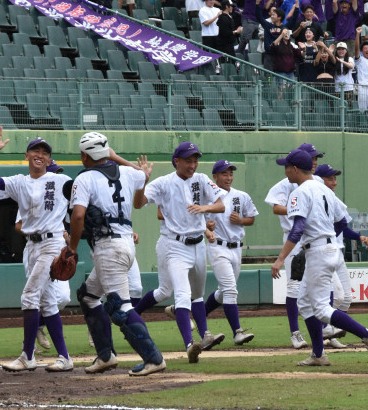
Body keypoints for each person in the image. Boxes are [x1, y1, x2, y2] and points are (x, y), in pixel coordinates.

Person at [271, 149, 368, 367]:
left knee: (321, 308)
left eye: (286, 167)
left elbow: (297, 229)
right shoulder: (324, 190)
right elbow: (342, 222)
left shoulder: (299, 192)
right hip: (330, 248)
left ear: (294, 169)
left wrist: (280, 258)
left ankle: (367, 334)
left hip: (318, 252)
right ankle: (319, 354)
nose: (285, 171)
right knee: (305, 303)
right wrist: (324, 233)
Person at [68, 132, 166, 376]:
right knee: (88, 296)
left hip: (108, 247)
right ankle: (105, 356)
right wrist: (115, 157)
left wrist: (71, 248)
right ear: (107, 152)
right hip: (125, 244)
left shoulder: (85, 179)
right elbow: (142, 173)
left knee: (119, 308)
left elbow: (78, 216)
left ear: (84, 155)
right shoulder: (130, 173)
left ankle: (153, 358)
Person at [0, 128, 73, 372]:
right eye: (36, 150)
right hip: (31, 246)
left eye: (45, 152)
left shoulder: (62, 181)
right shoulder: (19, 182)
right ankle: (65, 358)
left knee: (29, 296)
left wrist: (73, 242)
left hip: (53, 243)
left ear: (49, 160)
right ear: (27, 156)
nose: (40, 154)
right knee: (48, 303)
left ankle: (27, 356)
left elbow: (81, 207)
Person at [132, 141, 226, 363]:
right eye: (188, 160)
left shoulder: (201, 180)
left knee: (195, 294)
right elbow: (139, 204)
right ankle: (189, 344)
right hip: (174, 245)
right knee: (180, 294)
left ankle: (204, 336)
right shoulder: (164, 183)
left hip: (198, 244)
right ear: (177, 161)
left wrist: (205, 208)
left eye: (195, 160)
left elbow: (221, 205)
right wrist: (142, 182)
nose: (193, 164)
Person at [264, 143, 324, 350]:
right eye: (312, 157)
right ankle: (295, 333)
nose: (315, 161)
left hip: (314, 240)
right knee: (294, 286)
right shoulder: (286, 183)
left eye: (317, 157)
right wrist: (296, 209)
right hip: (293, 239)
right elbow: (275, 207)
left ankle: (324, 330)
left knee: (326, 286)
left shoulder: (317, 182)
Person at [314, 163, 368, 348]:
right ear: (319, 179)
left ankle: (332, 333)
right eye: (330, 178)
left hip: (337, 251)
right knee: (335, 297)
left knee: (346, 298)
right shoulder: (314, 197)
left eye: (335, 178)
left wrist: (358, 236)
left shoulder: (333, 198)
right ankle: (326, 330)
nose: (334, 182)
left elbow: (343, 225)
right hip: (325, 252)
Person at [202, 160, 257, 345]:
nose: (229, 177)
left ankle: (197, 314)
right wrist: (207, 228)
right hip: (218, 247)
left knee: (221, 293)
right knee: (230, 290)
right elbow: (197, 222)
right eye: (224, 174)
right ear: (215, 177)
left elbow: (251, 219)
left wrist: (241, 220)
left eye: (231, 173)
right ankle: (237, 332)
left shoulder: (241, 196)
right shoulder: (207, 198)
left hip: (237, 247)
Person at [199, 0, 222, 73]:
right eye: (210, 0)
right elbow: (206, 23)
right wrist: (216, 16)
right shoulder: (202, 10)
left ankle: (217, 70)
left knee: (218, 55)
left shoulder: (217, 10)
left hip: (217, 35)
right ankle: (207, 72)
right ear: (206, 0)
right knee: (207, 56)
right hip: (207, 36)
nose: (212, 1)